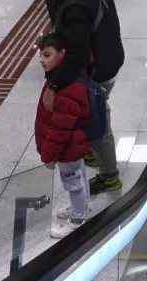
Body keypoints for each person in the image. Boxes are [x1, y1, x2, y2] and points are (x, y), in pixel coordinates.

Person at [44, 0, 125, 195]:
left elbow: (77, 54)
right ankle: (90, 153)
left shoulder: (75, 5)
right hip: (110, 58)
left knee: (99, 122)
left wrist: (54, 86)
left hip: (98, 70)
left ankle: (109, 175)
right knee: (88, 114)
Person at [35, 32, 92, 238]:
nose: (42, 60)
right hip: (74, 144)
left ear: (62, 54)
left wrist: (49, 156)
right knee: (81, 174)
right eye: (41, 55)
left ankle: (77, 220)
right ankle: (83, 208)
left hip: (67, 148)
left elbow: (60, 129)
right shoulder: (62, 77)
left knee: (73, 184)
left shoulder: (65, 88)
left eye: (47, 55)